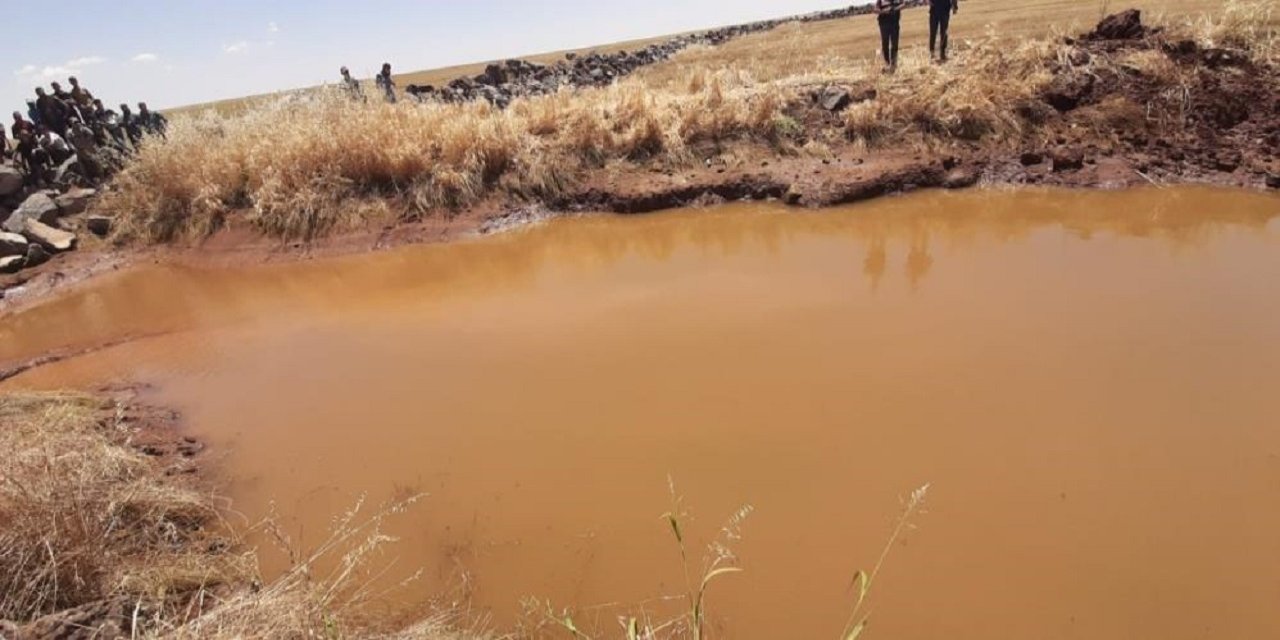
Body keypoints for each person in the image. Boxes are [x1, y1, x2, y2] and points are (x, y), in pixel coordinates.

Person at [876, 0, 903, 72]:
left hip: (895, 23)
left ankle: (893, 64)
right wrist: (885, 11)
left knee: (895, 44)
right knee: (885, 44)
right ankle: (886, 63)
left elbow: (903, 4)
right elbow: (876, 9)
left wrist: (895, 9)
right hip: (884, 24)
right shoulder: (881, 1)